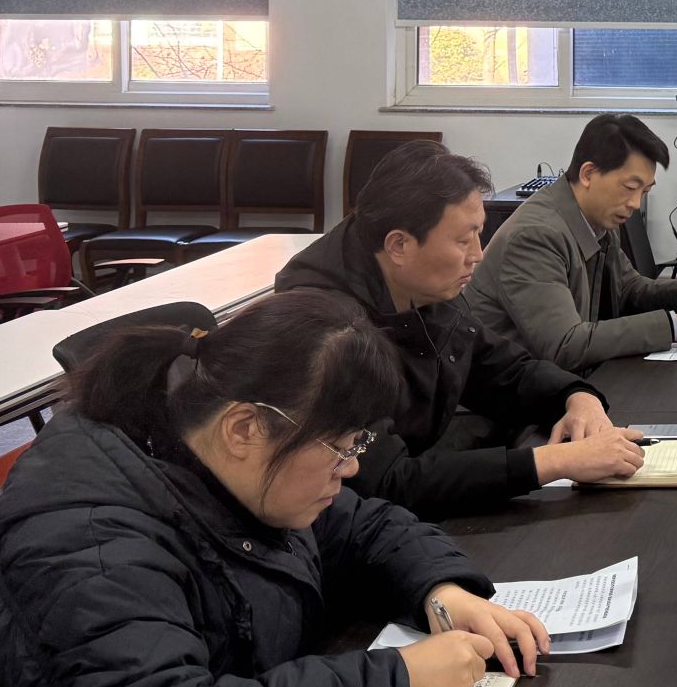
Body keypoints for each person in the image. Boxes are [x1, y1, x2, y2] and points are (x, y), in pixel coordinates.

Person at [0, 292, 550, 687]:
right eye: (340, 448)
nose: (353, 469)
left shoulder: (224, 465)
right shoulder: (86, 544)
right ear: (246, 428)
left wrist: (441, 590)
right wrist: (399, 683)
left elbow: (362, 528)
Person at [275, 140, 647, 517]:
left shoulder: (418, 282)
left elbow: (502, 370)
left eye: (479, 234)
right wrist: (556, 462)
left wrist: (577, 397)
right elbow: (388, 482)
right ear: (399, 245)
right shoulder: (325, 329)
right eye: (463, 239)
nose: (478, 254)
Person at [462, 113, 677, 368]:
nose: (635, 203)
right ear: (588, 174)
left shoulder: (597, 217)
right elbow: (565, 345)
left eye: (645, 192)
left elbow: (629, 288)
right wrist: (675, 327)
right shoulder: (535, 236)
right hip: (507, 400)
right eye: (630, 187)